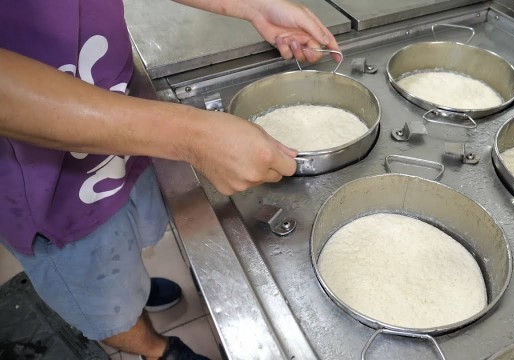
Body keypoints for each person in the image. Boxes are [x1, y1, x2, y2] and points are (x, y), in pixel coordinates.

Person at [0, 0, 340, 359]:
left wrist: (254, 6)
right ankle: (157, 349)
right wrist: (190, 136)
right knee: (105, 302)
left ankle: (134, 285)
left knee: (128, 241)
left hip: (123, 122)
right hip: (43, 184)